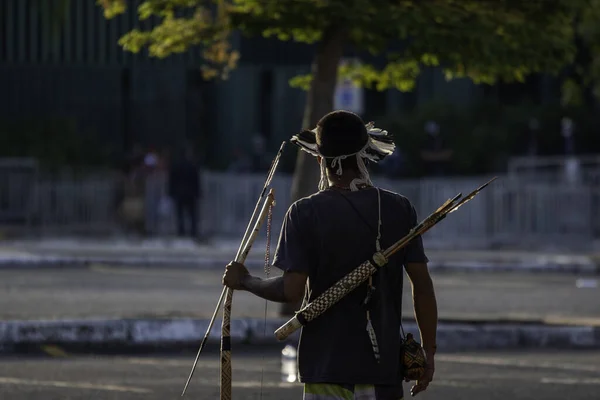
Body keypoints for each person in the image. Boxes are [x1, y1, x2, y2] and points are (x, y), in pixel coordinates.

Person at [223, 110, 438, 400]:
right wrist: (429, 352)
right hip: (383, 371)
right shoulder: (399, 208)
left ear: (319, 158)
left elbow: (291, 291)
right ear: (366, 152)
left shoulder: (305, 212)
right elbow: (422, 286)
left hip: (326, 367)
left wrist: (246, 280)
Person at [168, 148, 201, 238]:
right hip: (190, 193)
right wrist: (198, 193)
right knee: (192, 214)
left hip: (180, 192)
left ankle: (181, 231)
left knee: (180, 213)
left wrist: (171, 192)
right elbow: (196, 180)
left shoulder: (176, 165)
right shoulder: (192, 165)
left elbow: (172, 180)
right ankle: (193, 231)